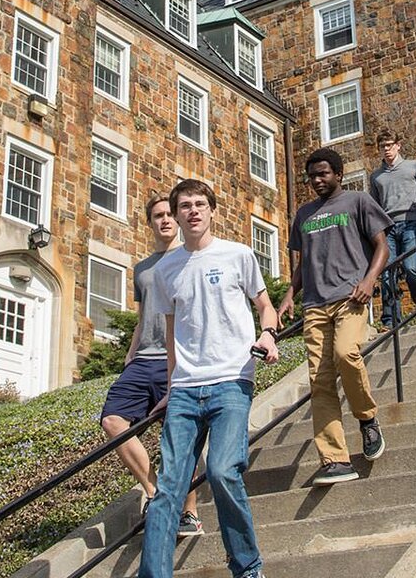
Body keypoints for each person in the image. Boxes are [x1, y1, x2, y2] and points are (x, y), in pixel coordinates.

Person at [140, 179, 281, 578]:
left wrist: (267, 334)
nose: (193, 211)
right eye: (184, 205)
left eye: (200, 204)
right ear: (177, 214)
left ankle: (248, 567)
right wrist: (170, 386)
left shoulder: (237, 255)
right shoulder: (165, 269)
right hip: (185, 389)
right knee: (168, 488)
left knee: (221, 470)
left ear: (213, 211)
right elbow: (172, 334)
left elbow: (266, 307)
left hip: (232, 380)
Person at [280, 148, 390, 486]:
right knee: (320, 381)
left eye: (324, 173)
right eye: (312, 176)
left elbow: (382, 245)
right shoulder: (304, 215)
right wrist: (288, 297)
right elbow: (303, 264)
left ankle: (367, 419)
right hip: (315, 304)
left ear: (339, 174)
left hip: (350, 297)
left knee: (346, 353)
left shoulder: (357, 201)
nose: (317, 180)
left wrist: (369, 280)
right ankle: (334, 459)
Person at [100, 197, 201, 537]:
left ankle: (189, 513)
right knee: (113, 421)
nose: (166, 220)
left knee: (180, 435)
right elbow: (144, 318)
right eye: (158, 215)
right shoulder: (141, 268)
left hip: (180, 358)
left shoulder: (190, 257)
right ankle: (156, 492)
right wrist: (130, 355)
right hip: (143, 360)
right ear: (150, 223)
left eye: (171, 214)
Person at [368, 132, 416, 327]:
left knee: (412, 269)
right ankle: (391, 320)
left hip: (411, 224)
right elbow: (374, 208)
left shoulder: (413, 167)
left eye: (389, 145)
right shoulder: (376, 177)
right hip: (387, 228)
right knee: (387, 274)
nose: (386, 149)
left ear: (398, 145)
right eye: (382, 146)